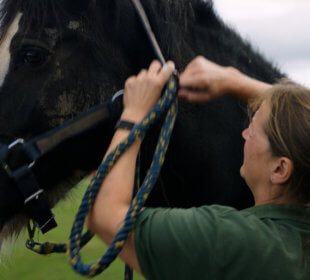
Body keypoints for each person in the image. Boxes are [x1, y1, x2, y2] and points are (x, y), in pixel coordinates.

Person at [86, 56, 310, 279]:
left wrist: (134, 113)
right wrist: (231, 79)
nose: (244, 134)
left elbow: (104, 216)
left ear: (279, 170)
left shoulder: (229, 239)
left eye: (252, 131)